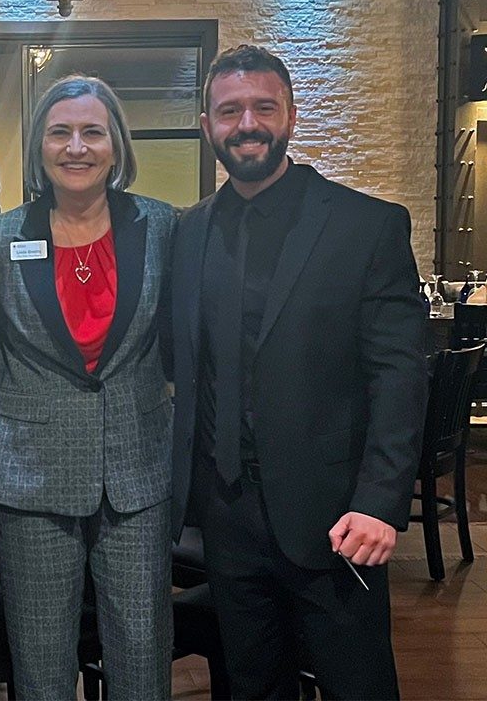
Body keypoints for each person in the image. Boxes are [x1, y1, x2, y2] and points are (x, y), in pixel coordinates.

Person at [171, 45, 428, 699]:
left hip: (335, 517)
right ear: (208, 125)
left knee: (357, 685)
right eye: (230, 111)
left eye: (263, 107)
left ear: (291, 115)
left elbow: (399, 375)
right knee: (252, 686)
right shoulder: (188, 232)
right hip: (225, 518)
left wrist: (380, 502)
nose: (247, 123)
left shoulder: (365, 226)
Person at [0, 75, 175, 700]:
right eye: (60, 132)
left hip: (136, 476)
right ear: (40, 147)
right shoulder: (2, 236)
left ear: (116, 147)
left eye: (93, 132)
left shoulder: (164, 228)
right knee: (39, 665)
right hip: (30, 479)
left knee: (143, 657)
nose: (77, 146)